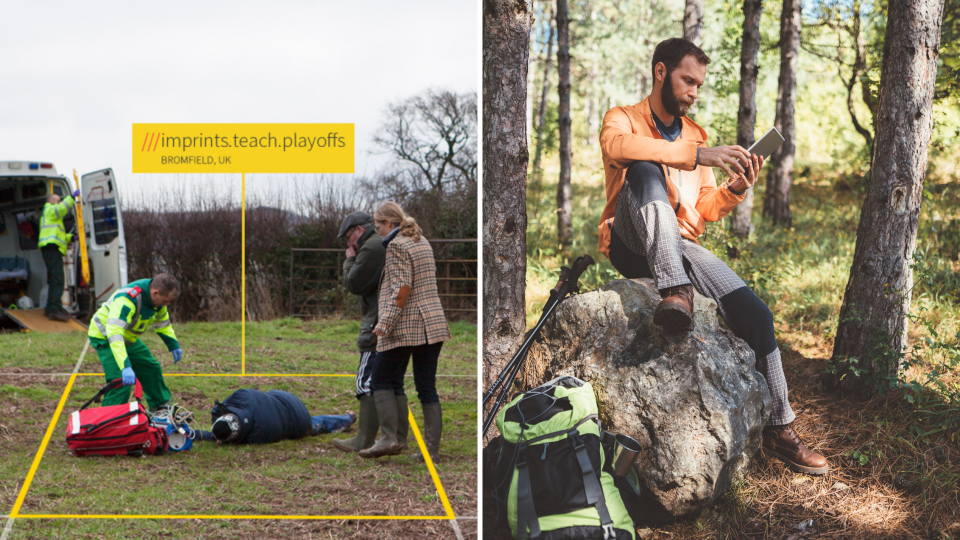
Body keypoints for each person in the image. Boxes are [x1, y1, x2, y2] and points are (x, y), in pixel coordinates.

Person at [597, 38, 828, 476]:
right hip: (631, 241)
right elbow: (618, 150)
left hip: (680, 245)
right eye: (688, 80)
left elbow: (704, 208)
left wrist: (735, 188)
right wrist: (697, 156)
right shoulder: (622, 118)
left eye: (699, 85)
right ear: (661, 72)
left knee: (755, 312)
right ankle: (676, 291)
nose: (693, 92)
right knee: (644, 168)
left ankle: (781, 428)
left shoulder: (695, 133)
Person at [358, 202, 451, 460]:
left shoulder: (397, 245)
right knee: (426, 388)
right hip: (433, 324)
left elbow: (402, 290)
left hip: (409, 326)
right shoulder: (422, 241)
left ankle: (390, 438)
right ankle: (430, 450)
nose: (377, 232)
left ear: (389, 223)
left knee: (380, 379)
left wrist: (384, 324)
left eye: (378, 227)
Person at [331, 210, 411, 453]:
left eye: (348, 238)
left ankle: (364, 439)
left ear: (358, 230)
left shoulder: (372, 247)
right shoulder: (388, 243)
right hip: (398, 320)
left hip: (377, 322)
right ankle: (397, 438)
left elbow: (354, 283)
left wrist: (349, 258)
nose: (349, 244)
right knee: (394, 382)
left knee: (366, 381)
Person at [88, 273, 184, 412]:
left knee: (151, 368)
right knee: (119, 382)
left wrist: (173, 344)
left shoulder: (157, 301)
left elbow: (162, 323)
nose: (167, 305)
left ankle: (161, 409)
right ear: (155, 293)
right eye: (165, 301)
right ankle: (108, 421)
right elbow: (114, 334)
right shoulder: (127, 300)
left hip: (127, 337)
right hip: (106, 336)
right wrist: (125, 366)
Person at [204, 388, 355, 445]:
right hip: (282, 396)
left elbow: (237, 440)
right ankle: (347, 418)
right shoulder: (241, 395)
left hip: (299, 421)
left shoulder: (257, 436)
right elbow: (219, 409)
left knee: (313, 425)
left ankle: (346, 419)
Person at [38, 189, 80, 321]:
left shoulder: (52, 217)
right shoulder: (50, 209)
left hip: (51, 248)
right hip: (51, 248)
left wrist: (71, 238)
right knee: (58, 279)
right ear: (51, 201)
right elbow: (61, 209)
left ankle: (52, 307)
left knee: (54, 279)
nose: (60, 203)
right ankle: (54, 308)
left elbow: (60, 236)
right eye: (58, 200)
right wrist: (71, 198)